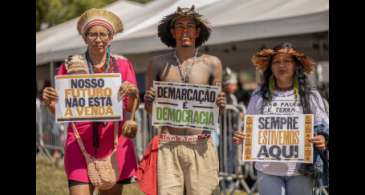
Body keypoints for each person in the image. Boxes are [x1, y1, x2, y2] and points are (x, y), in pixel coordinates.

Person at [42, 8, 139, 195]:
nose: (98, 39)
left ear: (111, 37)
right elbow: (63, 111)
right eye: (92, 34)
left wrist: (133, 92)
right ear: (85, 38)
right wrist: (50, 102)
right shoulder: (69, 65)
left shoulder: (123, 65)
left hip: (113, 144)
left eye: (103, 34)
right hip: (78, 143)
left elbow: (129, 106)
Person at [139, 6, 225, 195]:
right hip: (168, 145)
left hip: (201, 144)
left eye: (189, 26)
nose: (184, 31)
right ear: (172, 31)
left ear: (197, 31)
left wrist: (220, 103)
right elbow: (151, 111)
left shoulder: (212, 63)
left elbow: (217, 111)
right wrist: (150, 101)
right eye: (179, 26)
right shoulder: (157, 63)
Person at [233, 43, 329, 195]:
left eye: (287, 61)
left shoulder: (310, 95)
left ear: (296, 65)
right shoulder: (258, 95)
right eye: (276, 61)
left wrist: (322, 138)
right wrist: (243, 136)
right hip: (266, 169)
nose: (281, 65)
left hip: (301, 170)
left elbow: (323, 126)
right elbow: (249, 127)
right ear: (270, 67)